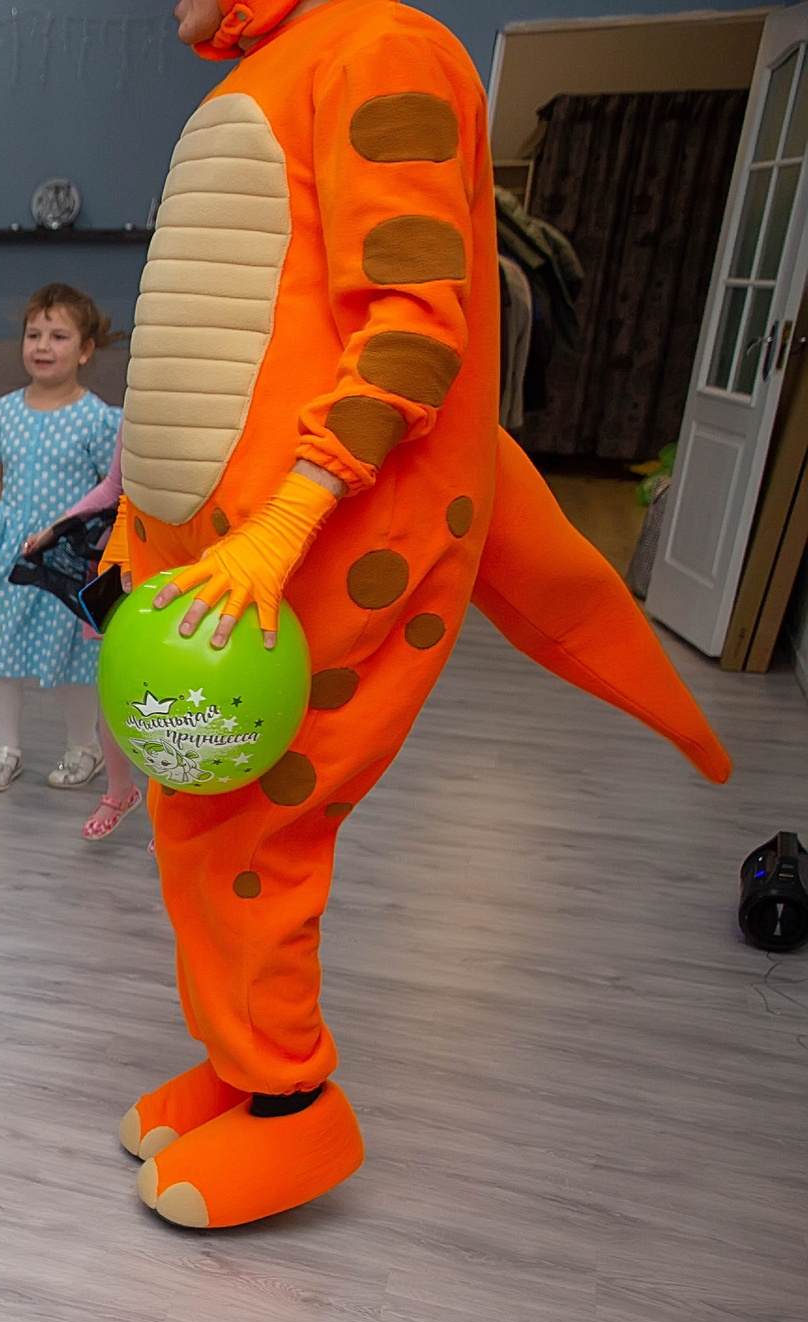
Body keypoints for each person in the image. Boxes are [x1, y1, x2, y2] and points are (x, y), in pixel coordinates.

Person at [105, 0, 730, 1230]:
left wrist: (286, 523)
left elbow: (414, 325)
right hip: (212, 556)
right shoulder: (271, 70)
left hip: (325, 543)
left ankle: (294, 1105)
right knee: (197, 821)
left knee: (265, 833)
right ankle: (240, 1069)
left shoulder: (378, 47)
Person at [0, 285, 124, 794]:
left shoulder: (98, 419)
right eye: (34, 334)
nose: (43, 345)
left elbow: (107, 494)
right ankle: (6, 747)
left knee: (72, 659)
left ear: (85, 350)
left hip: (68, 558)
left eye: (59, 336)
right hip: (11, 550)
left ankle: (82, 746)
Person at [16, 443, 147, 841]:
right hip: (124, 559)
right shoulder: (137, 407)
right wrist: (57, 527)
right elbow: (114, 485)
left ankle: (174, 808)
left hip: (183, 558)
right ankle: (119, 790)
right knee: (116, 685)